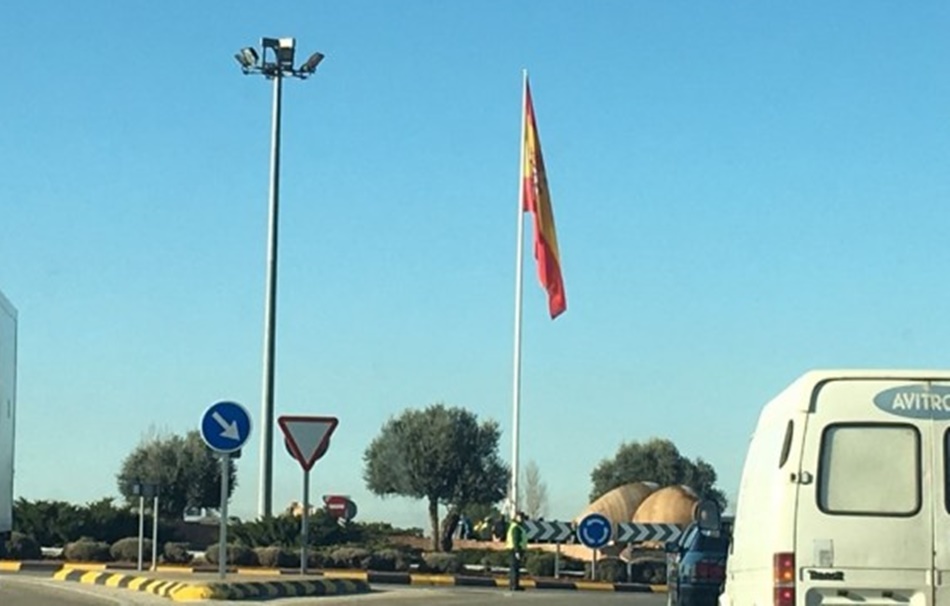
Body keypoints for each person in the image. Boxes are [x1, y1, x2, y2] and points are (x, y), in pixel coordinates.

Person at [506, 511, 528, 591]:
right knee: (514, 568)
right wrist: (517, 551)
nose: (522, 519)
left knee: (515, 568)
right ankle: (514, 585)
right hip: (514, 550)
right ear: (516, 517)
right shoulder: (516, 527)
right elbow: (516, 540)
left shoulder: (517, 526)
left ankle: (514, 584)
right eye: (520, 517)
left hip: (515, 549)